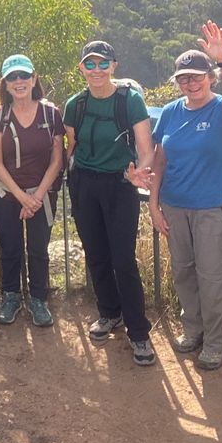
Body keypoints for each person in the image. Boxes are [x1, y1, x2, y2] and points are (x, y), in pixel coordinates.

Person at [147, 22, 222, 371]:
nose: (191, 83)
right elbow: (160, 158)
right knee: (184, 272)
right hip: (176, 206)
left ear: (210, 76)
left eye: (197, 76)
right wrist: (153, 203)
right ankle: (193, 330)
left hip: (214, 208)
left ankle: (216, 341)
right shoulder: (172, 111)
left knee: (213, 276)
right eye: (184, 78)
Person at [64, 40, 157, 366]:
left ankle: (139, 332)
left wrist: (139, 172)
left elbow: (146, 146)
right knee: (97, 254)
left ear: (114, 66)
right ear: (82, 68)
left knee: (123, 260)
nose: (97, 70)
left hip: (121, 183)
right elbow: (71, 146)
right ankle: (109, 312)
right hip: (84, 184)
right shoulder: (74, 104)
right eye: (90, 64)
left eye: (103, 64)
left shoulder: (130, 101)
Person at [0, 54, 65, 328]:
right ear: (5, 84)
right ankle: (11, 296)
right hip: (7, 194)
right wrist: (22, 197)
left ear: (34, 79)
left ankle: (38, 299)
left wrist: (37, 196)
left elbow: (58, 158)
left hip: (41, 194)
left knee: (38, 248)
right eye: (12, 77)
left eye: (23, 76)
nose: (18, 82)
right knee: (9, 246)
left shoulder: (50, 113)